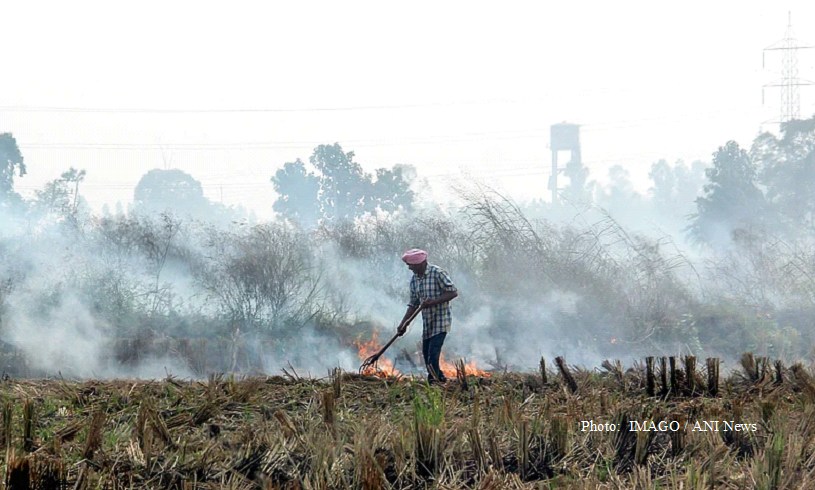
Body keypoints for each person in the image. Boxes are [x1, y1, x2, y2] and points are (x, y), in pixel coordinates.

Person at [397, 248, 458, 384]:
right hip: (428, 322)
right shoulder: (415, 280)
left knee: (433, 353)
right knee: (426, 353)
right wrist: (403, 324)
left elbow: (453, 292)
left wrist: (433, 302)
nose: (410, 268)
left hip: (441, 319)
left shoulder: (437, 273)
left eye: (411, 265)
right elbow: (413, 304)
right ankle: (440, 378)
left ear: (420, 263)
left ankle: (434, 381)